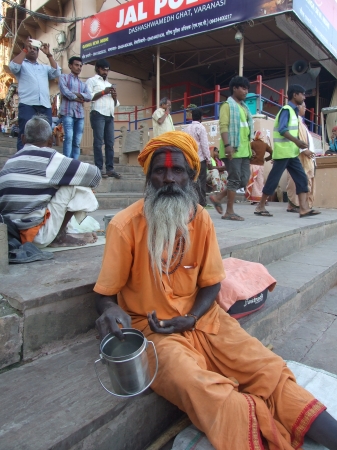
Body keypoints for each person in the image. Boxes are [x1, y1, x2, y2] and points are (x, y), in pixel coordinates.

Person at [93, 130, 337, 450]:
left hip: (206, 320)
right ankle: (256, 428)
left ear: (192, 176)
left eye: (177, 170)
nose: (168, 179)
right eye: (160, 170)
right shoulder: (123, 226)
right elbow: (104, 293)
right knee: (202, 387)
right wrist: (110, 309)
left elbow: (212, 283)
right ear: (148, 178)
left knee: (267, 368)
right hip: (152, 331)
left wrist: (193, 316)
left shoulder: (202, 220)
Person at [0, 116, 101, 248]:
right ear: (50, 141)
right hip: (36, 236)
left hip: (11, 234)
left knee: (55, 184)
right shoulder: (51, 159)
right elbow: (95, 175)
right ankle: (58, 236)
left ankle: (60, 232)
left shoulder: (9, 163)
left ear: (23, 139)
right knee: (78, 185)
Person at [255, 85, 321, 218]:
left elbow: (289, 132)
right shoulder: (287, 110)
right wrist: (297, 141)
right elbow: (282, 129)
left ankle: (303, 208)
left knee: (301, 179)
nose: (304, 97)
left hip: (292, 153)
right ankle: (260, 206)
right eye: (302, 94)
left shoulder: (294, 113)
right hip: (284, 153)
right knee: (273, 180)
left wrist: (299, 145)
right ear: (295, 95)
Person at [209, 76, 253, 221]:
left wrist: (250, 147)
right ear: (235, 88)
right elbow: (223, 126)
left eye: (247, 89)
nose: (246, 91)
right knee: (234, 180)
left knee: (243, 180)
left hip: (244, 150)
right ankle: (229, 212)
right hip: (232, 149)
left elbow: (246, 130)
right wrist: (227, 146)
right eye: (243, 88)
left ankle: (218, 197)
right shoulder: (227, 106)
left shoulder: (244, 108)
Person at [9, 36, 61, 151]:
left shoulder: (44, 68)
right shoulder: (22, 65)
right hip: (28, 104)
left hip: (45, 105)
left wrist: (49, 55)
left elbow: (56, 72)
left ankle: (44, 159)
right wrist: (24, 50)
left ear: (38, 52)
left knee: (46, 134)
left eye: (35, 49)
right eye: (30, 48)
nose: (33, 50)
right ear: (26, 50)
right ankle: (22, 161)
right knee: (25, 133)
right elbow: (13, 67)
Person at [86, 59, 121, 179]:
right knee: (98, 142)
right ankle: (99, 168)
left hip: (109, 115)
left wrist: (114, 97)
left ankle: (110, 169)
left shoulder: (109, 84)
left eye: (107, 70)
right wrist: (103, 92)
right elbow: (89, 97)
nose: (105, 72)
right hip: (98, 113)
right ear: (97, 69)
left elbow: (116, 103)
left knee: (110, 143)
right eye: (103, 69)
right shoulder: (91, 81)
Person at [59, 56, 91, 160]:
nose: (79, 68)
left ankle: (75, 162)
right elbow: (65, 92)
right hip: (67, 112)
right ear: (70, 66)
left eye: (80, 66)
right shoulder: (63, 77)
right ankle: (67, 161)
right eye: (76, 65)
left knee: (77, 141)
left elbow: (89, 96)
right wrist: (78, 97)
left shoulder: (83, 84)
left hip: (80, 114)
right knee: (68, 137)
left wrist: (73, 95)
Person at [286, 102, 316, 212]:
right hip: (297, 155)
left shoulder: (302, 122)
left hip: (307, 157)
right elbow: (293, 137)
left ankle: (303, 205)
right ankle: (294, 205)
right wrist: (303, 150)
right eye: (304, 106)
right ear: (298, 107)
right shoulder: (294, 120)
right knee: (295, 180)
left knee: (304, 180)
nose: (305, 108)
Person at [184, 108, 211, 206]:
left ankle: (191, 202)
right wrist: (208, 159)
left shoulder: (187, 128)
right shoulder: (201, 128)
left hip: (189, 159)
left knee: (191, 181)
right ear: (201, 117)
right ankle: (201, 203)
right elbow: (204, 145)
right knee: (201, 181)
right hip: (200, 159)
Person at [245, 131, 273, 204]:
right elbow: (272, 153)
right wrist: (266, 159)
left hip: (252, 165)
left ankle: (254, 199)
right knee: (260, 182)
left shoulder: (252, 144)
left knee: (253, 182)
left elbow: (246, 151)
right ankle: (262, 199)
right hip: (261, 166)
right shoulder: (265, 145)